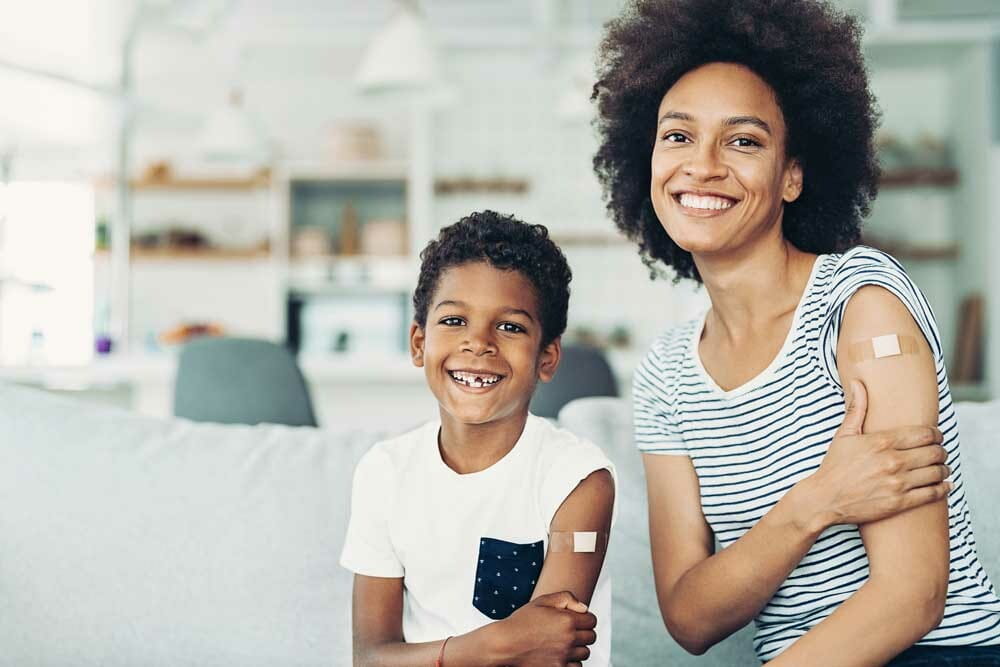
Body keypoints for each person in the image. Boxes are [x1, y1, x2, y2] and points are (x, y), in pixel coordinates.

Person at [591, 0, 1000, 664]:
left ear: (793, 175)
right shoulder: (665, 374)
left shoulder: (861, 305)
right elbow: (691, 615)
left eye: (743, 139)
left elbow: (911, 594)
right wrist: (818, 499)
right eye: (678, 135)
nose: (702, 164)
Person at [340, 210, 616, 667]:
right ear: (418, 344)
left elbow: (550, 650)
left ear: (547, 358)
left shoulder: (578, 481)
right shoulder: (384, 473)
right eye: (454, 322)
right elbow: (370, 657)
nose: (479, 343)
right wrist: (491, 645)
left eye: (509, 327)